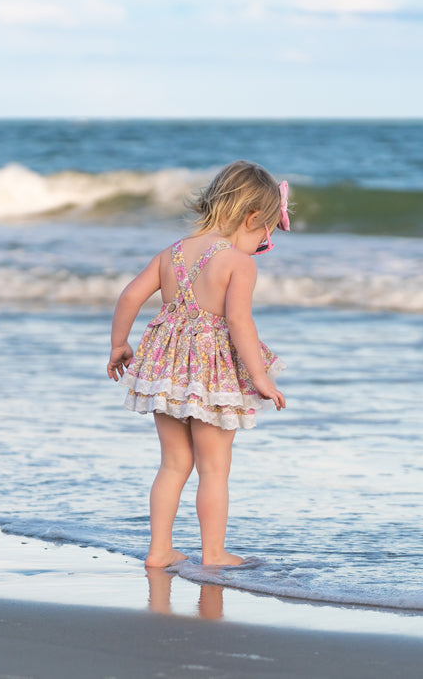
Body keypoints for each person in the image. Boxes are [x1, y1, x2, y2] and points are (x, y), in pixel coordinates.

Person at [107, 160, 289, 568]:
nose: (263, 243)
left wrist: (120, 344)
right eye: (266, 234)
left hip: (165, 372)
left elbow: (130, 296)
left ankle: (159, 551)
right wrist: (259, 378)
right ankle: (214, 553)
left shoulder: (170, 253)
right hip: (212, 375)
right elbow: (239, 321)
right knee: (214, 468)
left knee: (173, 463)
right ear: (252, 217)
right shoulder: (239, 263)